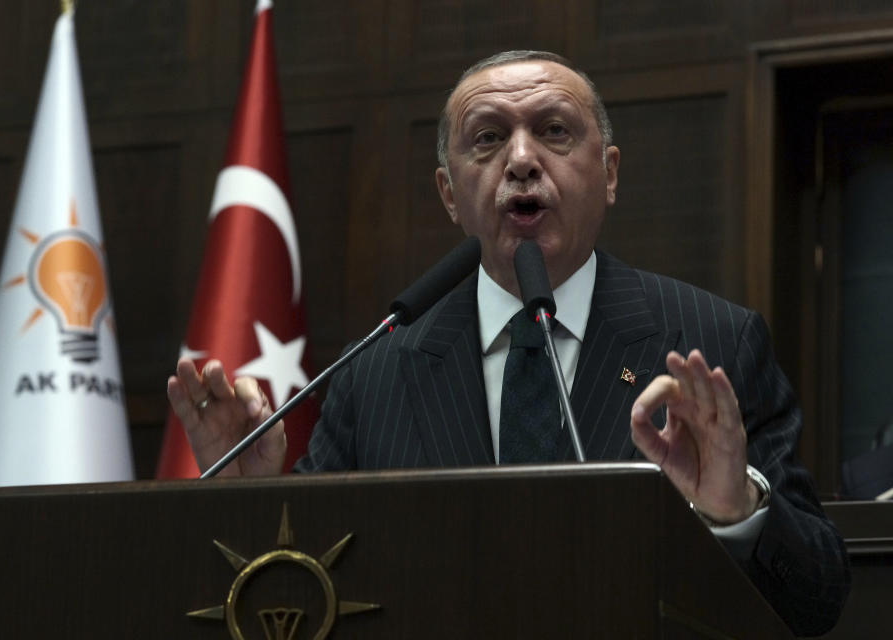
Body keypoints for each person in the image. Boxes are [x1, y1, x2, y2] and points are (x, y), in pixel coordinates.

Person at [168, 50, 850, 636]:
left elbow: (817, 601)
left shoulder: (713, 342)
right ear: (449, 194)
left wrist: (734, 512)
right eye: (488, 139)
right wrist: (249, 498)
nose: (521, 160)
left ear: (609, 173)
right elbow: (306, 588)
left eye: (554, 131)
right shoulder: (375, 373)